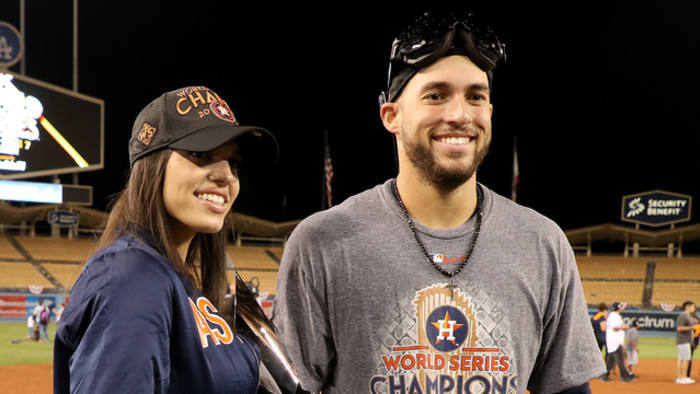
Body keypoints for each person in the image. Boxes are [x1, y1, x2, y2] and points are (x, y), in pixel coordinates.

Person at [274, 10, 605, 394]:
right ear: (391, 116)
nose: (460, 114)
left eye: (475, 96)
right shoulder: (322, 242)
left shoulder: (543, 243)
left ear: (490, 113)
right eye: (436, 95)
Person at [53, 86, 278, 393]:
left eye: (233, 163)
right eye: (200, 153)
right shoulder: (131, 277)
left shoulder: (169, 275)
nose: (226, 176)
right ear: (152, 164)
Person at [600, 302, 634, 382]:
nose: (621, 309)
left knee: (610, 360)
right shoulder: (614, 316)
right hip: (615, 342)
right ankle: (624, 377)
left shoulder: (613, 315)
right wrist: (624, 327)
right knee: (620, 360)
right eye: (620, 307)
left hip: (614, 342)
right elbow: (615, 328)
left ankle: (605, 376)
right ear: (618, 308)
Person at [676, 300, 696, 384]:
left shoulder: (686, 315)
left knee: (681, 359)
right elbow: (679, 328)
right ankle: (683, 378)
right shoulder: (684, 315)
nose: (694, 308)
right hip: (684, 340)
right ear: (688, 307)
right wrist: (692, 327)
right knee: (685, 359)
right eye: (693, 306)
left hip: (683, 340)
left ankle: (680, 378)